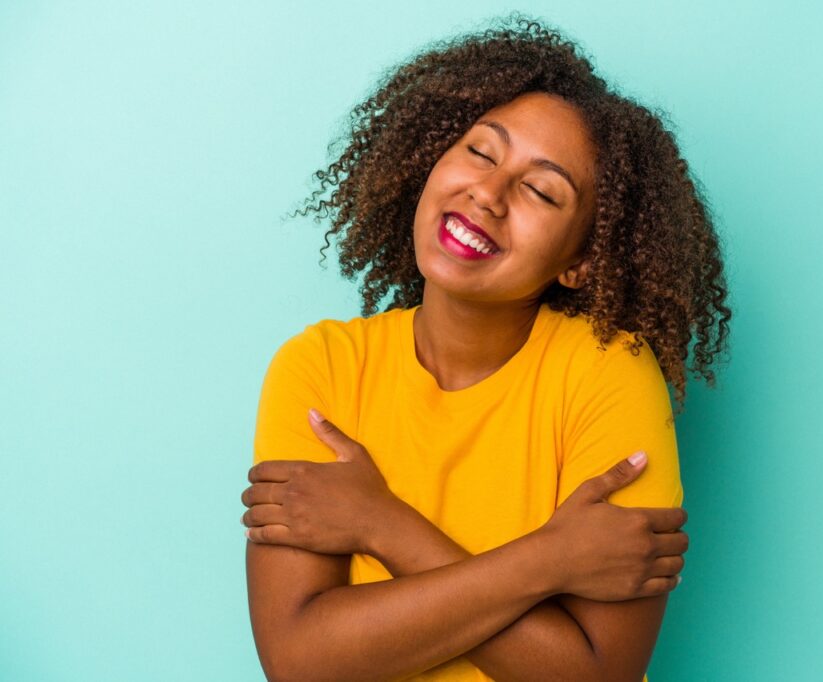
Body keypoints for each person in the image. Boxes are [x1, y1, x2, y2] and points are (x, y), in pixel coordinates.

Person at [240, 14, 730, 682]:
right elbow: (299, 659)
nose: (488, 194)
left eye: (540, 190)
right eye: (480, 151)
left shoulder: (608, 373)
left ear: (580, 261)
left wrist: (380, 524)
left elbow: (597, 672)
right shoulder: (321, 368)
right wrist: (551, 560)